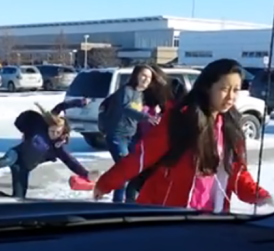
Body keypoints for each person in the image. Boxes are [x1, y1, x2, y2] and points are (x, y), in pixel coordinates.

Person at [94, 58, 273, 212]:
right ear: (207, 87)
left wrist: (261, 196)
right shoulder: (180, 119)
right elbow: (141, 156)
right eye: (224, 89)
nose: (230, 97)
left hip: (211, 219)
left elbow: (237, 174)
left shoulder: (231, 127)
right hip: (168, 215)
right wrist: (106, 183)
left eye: (236, 90)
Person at [0, 99, 99, 199]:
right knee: (6, 160)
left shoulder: (57, 148)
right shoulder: (41, 127)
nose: (54, 134)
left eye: (57, 133)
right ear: (48, 126)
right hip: (16, 154)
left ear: (62, 133)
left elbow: (71, 162)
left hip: (24, 168)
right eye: (52, 130)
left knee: (18, 199)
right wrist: (79, 102)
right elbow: (60, 106)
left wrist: (86, 174)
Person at [98, 64, 165, 203]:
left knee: (133, 170)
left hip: (131, 137)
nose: (146, 79)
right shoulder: (126, 90)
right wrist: (146, 117)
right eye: (143, 75)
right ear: (136, 76)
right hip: (117, 136)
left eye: (149, 77)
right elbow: (126, 108)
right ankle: (117, 205)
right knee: (123, 169)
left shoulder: (140, 95)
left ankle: (130, 202)